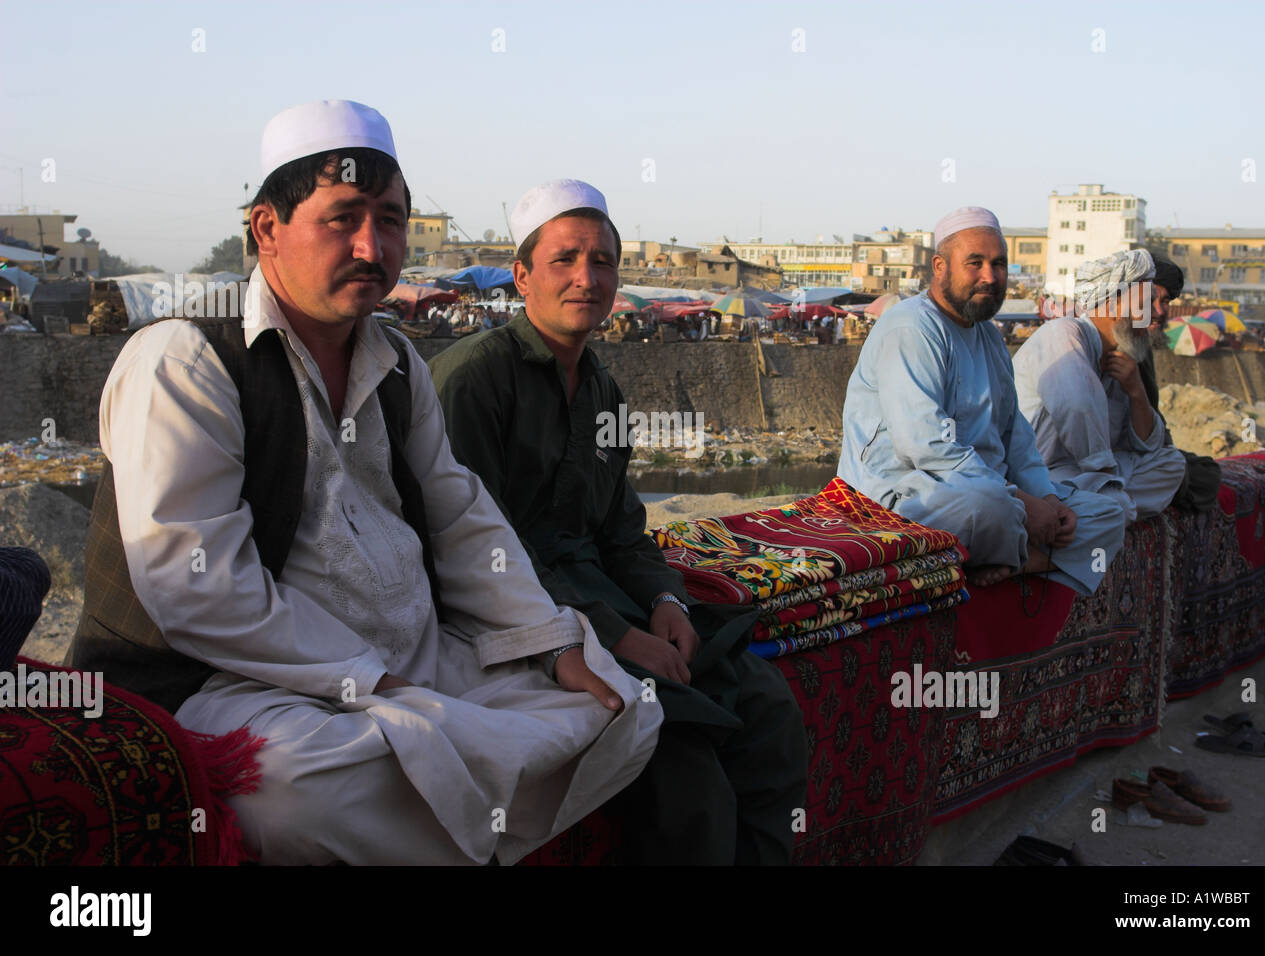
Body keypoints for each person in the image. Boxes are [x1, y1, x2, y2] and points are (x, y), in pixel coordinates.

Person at [65, 101, 660, 865]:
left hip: (409, 658)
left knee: (619, 705)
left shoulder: (398, 363)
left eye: (390, 221)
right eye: (342, 218)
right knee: (290, 789)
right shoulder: (186, 361)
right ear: (266, 228)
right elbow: (196, 585)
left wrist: (547, 643)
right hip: (240, 681)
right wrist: (366, 680)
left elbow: (459, 518)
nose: (372, 247)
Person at [430, 179, 807, 865]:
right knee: (691, 776)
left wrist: (664, 600)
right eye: (565, 259)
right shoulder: (474, 380)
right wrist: (617, 637)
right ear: (521, 276)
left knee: (771, 713)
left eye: (602, 261)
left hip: (609, 599)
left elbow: (621, 531)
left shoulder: (602, 388)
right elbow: (479, 555)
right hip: (521, 622)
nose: (586, 278)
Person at [837, 206, 1126, 592]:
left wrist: (1046, 498)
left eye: (999, 264)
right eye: (975, 263)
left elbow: (1015, 435)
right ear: (939, 266)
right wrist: (1022, 500)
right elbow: (923, 447)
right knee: (989, 506)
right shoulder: (911, 327)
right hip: (901, 494)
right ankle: (1018, 551)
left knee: (1110, 509)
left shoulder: (989, 336)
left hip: (988, 488)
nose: (990, 277)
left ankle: (1016, 560)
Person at [1013, 250, 1186, 524]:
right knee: (1112, 502)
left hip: (1084, 475)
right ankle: (1103, 509)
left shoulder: (1125, 355)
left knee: (1172, 465)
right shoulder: (1064, 333)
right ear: (1114, 304)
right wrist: (1105, 477)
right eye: (1146, 303)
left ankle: (1101, 509)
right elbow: (1077, 406)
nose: (1154, 313)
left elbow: (1150, 447)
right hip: (1041, 474)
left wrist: (1136, 391)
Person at [1140, 251, 1223, 511]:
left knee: (1206, 470)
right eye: (1152, 301)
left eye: (1164, 302)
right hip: (1126, 457)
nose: (1160, 311)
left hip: (1148, 450)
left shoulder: (1141, 345)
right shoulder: (1118, 346)